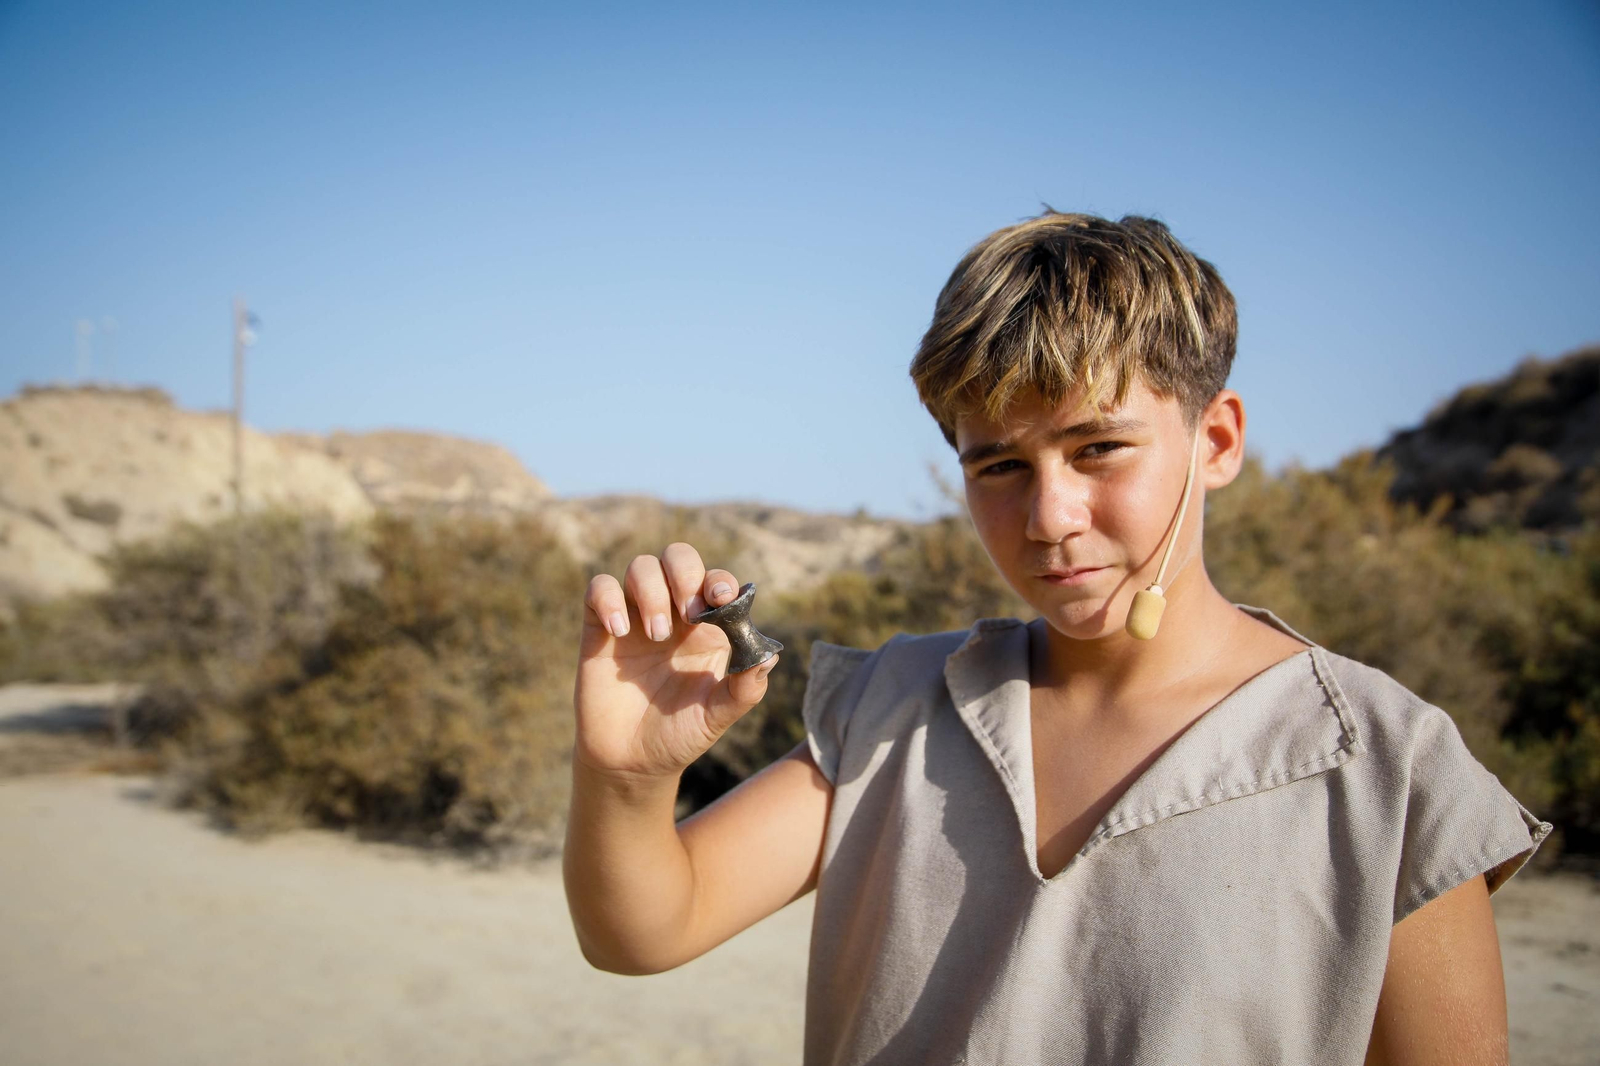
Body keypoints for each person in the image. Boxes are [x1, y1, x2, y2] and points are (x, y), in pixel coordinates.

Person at [563, 211, 1550, 1065]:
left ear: (1215, 440)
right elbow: (645, 928)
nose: (1048, 513)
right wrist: (625, 776)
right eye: (997, 466)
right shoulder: (897, 704)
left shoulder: (1382, 766)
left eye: (1097, 448)